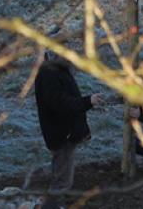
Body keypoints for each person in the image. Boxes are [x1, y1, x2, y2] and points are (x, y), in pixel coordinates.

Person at [35, 50, 106, 208]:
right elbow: (62, 103)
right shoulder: (49, 75)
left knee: (61, 177)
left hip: (63, 133)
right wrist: (88, 101)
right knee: (62, 180)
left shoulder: (56, 71)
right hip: (62, 135)